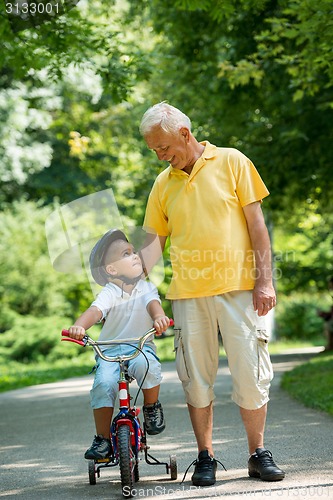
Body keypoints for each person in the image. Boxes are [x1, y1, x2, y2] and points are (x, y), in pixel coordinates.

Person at [138, 102, 285, 486]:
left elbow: (257, 225)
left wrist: (264, 281)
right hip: (187, 295)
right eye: (154, 149)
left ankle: (258, 453)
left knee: (251, 374)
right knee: (195, 379)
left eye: (163, 147)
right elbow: (153, 244)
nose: (160, 155)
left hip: (238, 290)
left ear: (184, 134)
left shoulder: (233, 161)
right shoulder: (162, 183)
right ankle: (205, 456)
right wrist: (125, 280)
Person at [68, 228, 170, 460]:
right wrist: (80, 326)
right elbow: (95, 311)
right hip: (110, 350)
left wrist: (159, 318)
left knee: (148, 366)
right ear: (112, 270)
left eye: (134, 252)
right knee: (103, 383)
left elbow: (153, 305)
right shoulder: (110, 292)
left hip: (139, 346)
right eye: (126, 254)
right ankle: (102, 439)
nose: (134, 256)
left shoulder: (145, 287)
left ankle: (151, 408)